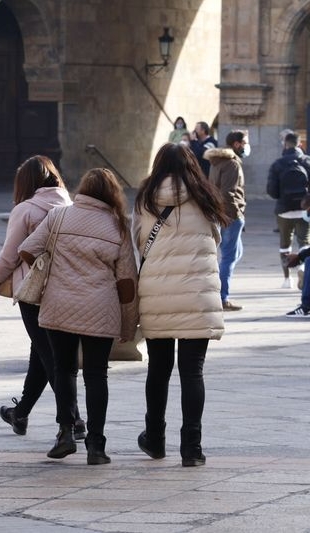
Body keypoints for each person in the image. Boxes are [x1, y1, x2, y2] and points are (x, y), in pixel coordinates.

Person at [18, 168, 138, 465]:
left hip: (59, 304)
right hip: (100, 307)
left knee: (64, 369)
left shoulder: (59, 216)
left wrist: (52, 265)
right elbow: (126, 282)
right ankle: (96, 446)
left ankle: (65, 433)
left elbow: (27, 250)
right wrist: (128, 325)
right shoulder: (118, 226)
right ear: (112, 194)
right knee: (96, 375)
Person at [133, 143, 229, 467]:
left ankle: (154, 439)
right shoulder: (206, 197)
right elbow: (216, 238)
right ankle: (191, 448)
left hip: (157, 293)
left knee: (158, 370)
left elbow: (137, 240)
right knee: (192, 372)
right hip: (198, 294)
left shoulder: (146, 198)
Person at [0, 155, 86, 440]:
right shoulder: (70, 206)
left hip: (34, 293)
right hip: (65, 290)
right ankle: (21, 413)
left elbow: (10, 257)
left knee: (51, 358)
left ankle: (74, 420)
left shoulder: (25, 210)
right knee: (41, 352)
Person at [205, 130, 249, 311]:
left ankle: (218, 292)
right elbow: (228, 193)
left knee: (236, 253)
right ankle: (222, 298)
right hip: (230, 215)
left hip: (222, 213)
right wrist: (236, 214)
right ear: (237, 144)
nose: (246, 146)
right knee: (229, 257)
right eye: (244, 143)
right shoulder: (232, 164)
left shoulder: (217, 162)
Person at [266, 132, 310, 288]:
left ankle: (287, 280)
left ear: (285, 145)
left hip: (284, 210)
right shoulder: (307, 161)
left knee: (285, 244)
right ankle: (303, 268)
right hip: (305, 210)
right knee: (304, 241)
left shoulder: (277, 164)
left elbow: (272, 191)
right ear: (300, 144)